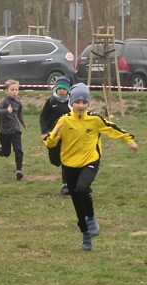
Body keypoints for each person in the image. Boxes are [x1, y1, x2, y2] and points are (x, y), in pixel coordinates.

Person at [44, 82, 138, 251]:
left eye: (84, 102)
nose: (80, 105)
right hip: (69, 164)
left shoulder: (95, 119)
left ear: (88, 103)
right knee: (77, 202)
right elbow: (51, 143)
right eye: (77, 102)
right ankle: (85, 233)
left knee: (82, 188)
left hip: (90, 161)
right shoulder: (63, 121)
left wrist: (129, 140)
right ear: (71, 103)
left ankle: (92, 218)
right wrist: (53, 137)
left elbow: (112, 128)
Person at [39, 76, 72, 195]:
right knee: (55, 160)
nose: (62, 91)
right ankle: (54, 158)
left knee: (65, 159)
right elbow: (43, 117)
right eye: (60, 88)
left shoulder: (71, 103)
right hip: (52, 135)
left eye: (64, 89)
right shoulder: (51, 101)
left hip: (67, 136)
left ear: (68, 90)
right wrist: (44, 132)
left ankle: (66, 184)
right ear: (56, 89)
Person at [0, 79, 27, 180]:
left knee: (18, 150)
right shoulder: (4, 101)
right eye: (12, 90)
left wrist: (23, 123)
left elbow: (19, 113)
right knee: (6, 153)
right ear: (6, 91)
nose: (14, 92)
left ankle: (19, 170)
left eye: (16, 90)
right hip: (3, 131)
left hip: (15, 130)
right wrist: (6, 111)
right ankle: (1, 149)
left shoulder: (18, 103)